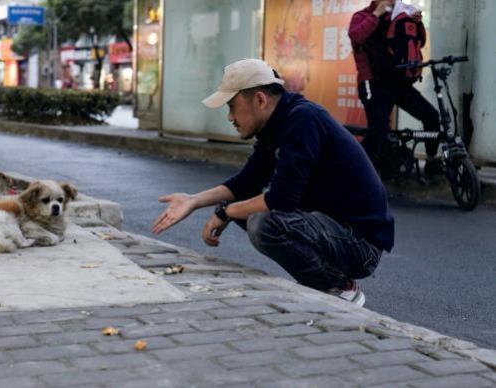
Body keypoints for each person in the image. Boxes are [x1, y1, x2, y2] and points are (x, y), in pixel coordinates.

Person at [152, 59, 394, 307]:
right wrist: (193, 201)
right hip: (331, 229)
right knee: (241, 205)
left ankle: (339, 287)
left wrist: (225, 211)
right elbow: (246, 182)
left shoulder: (303, 119)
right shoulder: (277, 123)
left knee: (263, 222)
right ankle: (323, 283)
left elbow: (281, 199)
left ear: (260, 99)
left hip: (360, 244)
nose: (230, 117)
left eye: (233, 107)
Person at [349, 0, 442, 175]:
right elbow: (356, 36)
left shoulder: (398, 17)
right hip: (373, 82)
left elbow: (419, 42)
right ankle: (354, 171)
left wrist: (417, 23)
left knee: (431, 116)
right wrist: (376, 14)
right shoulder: (361, 16)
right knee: (379, 128)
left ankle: (432, 161)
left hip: (398, 83)